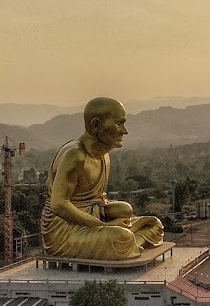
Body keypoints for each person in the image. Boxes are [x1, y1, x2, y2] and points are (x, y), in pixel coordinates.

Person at [40, 97, 163, 260]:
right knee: (121, 237)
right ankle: (128, 243)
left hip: (94, 217)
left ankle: (131, 244)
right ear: (96, 125)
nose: (124, 131)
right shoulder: (75, 155)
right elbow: (59, 205)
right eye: (118, 123)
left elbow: (97, 199)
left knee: (153, 223)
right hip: (65, 228)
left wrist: (108, 215)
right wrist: (104, 226)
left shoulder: (103, 155)